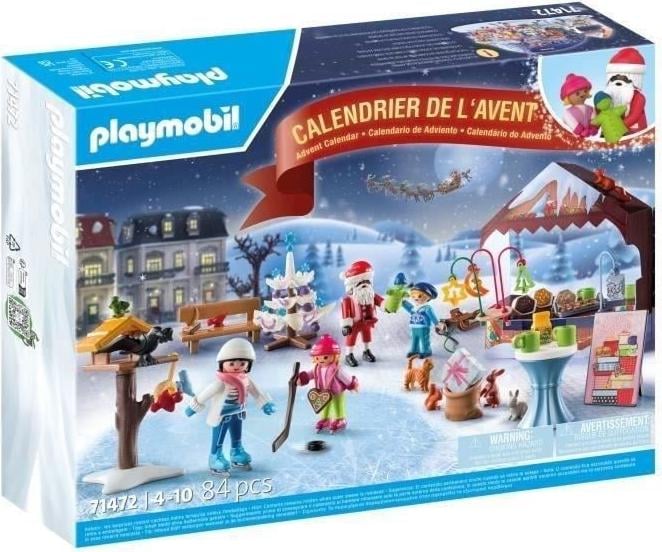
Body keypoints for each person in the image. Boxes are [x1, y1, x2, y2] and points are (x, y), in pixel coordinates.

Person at [185, 338, 275, 473]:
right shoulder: (220, 383)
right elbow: (205, 394)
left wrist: (266, 403)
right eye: (231, 363)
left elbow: (257, 392)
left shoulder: (246, 380)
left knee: (237, 436)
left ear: (248, 364)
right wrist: (193, 407)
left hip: (238, 413)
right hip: (222, 416)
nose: (237, 366)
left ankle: (236, 451)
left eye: (242, 363)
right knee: (218, 438)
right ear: (222, 364)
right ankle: (215, 456)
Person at [297, 334, 359, 433]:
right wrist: (302, 378)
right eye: (317, 358)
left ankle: (340, 419)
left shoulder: (336, 369)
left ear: (335, 356)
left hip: (336, 392)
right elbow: (310, 374)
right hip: (323, 392)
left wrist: (352, 384)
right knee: (324, 405)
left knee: (337, 405)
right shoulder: (317, 368)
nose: (321, 360)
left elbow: (345, 377)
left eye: (325, 357)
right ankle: (325, 419)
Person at [401, 282, 445, 358]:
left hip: (423, 327)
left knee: (424, 339)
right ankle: (415, 350)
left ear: (428, 297)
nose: (416, 298)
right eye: (413, 296)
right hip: (414, 327)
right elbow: (408, 307)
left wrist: (437, 324)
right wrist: (403, 302)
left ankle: (426, 351)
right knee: (415, 339)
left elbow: (432, 317)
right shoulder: (414, 308)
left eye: (419, 296)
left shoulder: (426, 308)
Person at [560, 73, 597, 137]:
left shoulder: (591, 109)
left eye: (585, 91)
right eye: (577, 93)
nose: (582, 94)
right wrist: (580, 130)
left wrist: (593, 127)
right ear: (568, 98)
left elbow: (593, 119)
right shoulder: (568, 112)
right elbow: (572, 122)